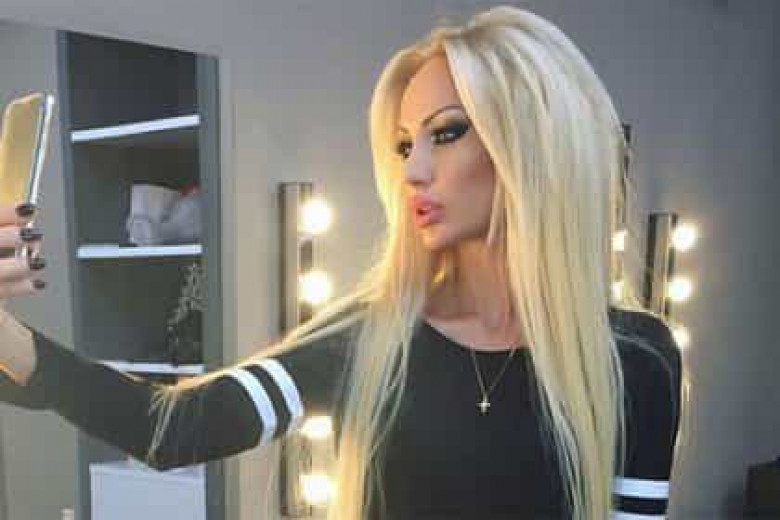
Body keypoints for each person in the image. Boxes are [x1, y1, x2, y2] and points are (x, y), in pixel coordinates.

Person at [0, 5, 683, 520]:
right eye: (404, 144)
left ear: (535, 142)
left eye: (446, 133)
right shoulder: (371, 342)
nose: (412, 170)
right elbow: (171, 429)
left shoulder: (638, 360)